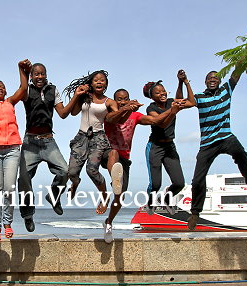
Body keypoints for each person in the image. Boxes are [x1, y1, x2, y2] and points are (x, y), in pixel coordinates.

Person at [178, 67, 247, 230]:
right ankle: (195, 213)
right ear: (205, 82)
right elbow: (181, 102)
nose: (213, 79)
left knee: (241, 153)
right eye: (209, 78)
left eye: (216, 78)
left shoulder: (226, 90)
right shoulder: (199, 98)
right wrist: (182, 82)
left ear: (219, 81)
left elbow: (237, 72)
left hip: (226, 136)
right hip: (207, 143)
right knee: (197, 179)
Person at [102, 88, 185, 243]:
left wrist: (172, 110)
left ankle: (108, 222)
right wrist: (125, 109)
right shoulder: (109, 113)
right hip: (107, 154)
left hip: (124, 160)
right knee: (113, 153)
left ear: (129, 99)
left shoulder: (135, 116)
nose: (122, 101)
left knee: (120, 196)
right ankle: (115, 180)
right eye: (119, 99)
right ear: (114, 101)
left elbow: (155, 121)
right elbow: (114, 119)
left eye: (125, 99)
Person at [62, 70, 138, 215]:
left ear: (106, 85)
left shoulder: (109, 102)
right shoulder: (85, 98)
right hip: (81, 138)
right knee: (71, 172)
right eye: (96, 80)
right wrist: (77, 95)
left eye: (102, 80)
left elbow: (118, 119)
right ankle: (75, 183)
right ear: (91, 83)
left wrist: (127, 109)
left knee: (92, 170)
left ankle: (104, 195)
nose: (99, 82)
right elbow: (73, 112)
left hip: (98, 138)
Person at [17, 62, 76, 232]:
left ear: (46, 74)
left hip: (48, 141)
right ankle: (28, 215)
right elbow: (22, 85)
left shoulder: (53, 90)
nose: (40, 77)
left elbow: (63, 114)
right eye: (36, 74)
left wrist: (76, 96)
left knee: (65, 171)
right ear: (32, 76)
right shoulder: (27, 90)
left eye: (42, 74)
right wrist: (21, 70)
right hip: (30, 142)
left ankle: (54, 195)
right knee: (23, 178)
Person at [0, 59, 31, 244]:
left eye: (2, 86)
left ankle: (7, 223)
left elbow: (23, 86)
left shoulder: (11, 102)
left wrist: (21, 69)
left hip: (12, 149)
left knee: (9, 188)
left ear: (5, 91)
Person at [143, 73, 192, 215]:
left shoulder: (172, 102)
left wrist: (183, 82)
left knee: (179, 183)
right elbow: (161, 123)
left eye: (163, 90)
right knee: (155, 184)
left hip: (170, 147)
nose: (162, 93)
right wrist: (173, 110)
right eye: (157, 92)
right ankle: (151, 202)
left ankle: (165, 199)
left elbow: (191, 102)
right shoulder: (151, 108)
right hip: (155, 147)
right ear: (152, 97)